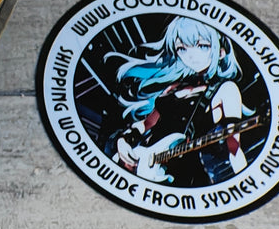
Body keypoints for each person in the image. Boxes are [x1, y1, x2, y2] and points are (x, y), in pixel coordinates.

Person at [108, 16, 254, 184]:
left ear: (221, 51)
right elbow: (147, 124)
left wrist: (244, 185)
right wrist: (124, 141)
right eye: (182, 49)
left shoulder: (225, 90)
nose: (191, 56)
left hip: (185, 178)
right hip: (146, 166)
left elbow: (234, 148)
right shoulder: (174, 87)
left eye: (202, 46)